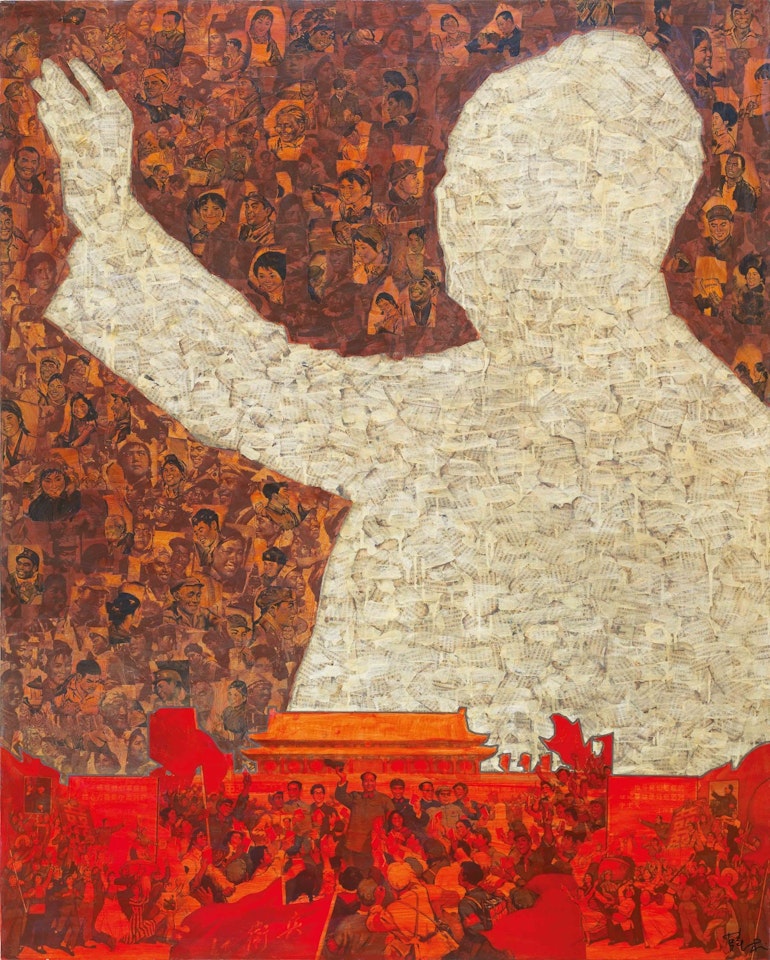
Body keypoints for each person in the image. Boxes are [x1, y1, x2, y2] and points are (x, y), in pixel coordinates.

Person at [334, 768, 394, 873]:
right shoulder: (355, 797)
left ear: (375, 782)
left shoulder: (384, 799)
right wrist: (343, 779)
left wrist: (384, 831)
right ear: (362, 783)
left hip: (374, 845)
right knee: (356, 873)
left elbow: (392, 818)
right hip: (355, 844)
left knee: (373, 873)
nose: (369, 783)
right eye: (366, 781)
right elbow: (340, 796)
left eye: (371, 780)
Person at [2, 399, 35, 469]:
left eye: (9, 418)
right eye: (0, 420)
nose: (5, 424)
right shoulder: (2, 447)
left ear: (19, 419)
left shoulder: (33, 443)